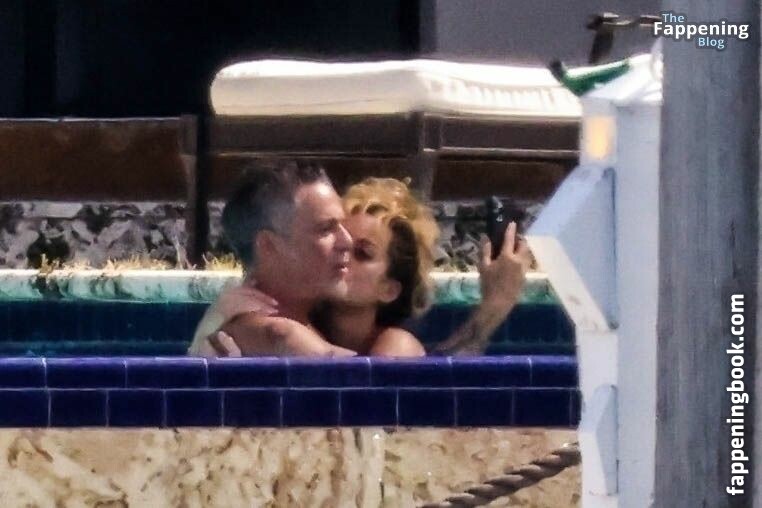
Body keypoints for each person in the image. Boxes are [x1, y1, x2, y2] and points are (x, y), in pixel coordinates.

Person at [189, 166, 531, 357]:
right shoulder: (266, 324)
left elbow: (420, 384)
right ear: (270, 245)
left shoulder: (392, 345)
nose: (343, 245)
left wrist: (495, 307)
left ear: (389, 289)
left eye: (362, 252)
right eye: (327, 230)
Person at [187, 160, 357, 357]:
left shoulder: (312, 322)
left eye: (343, 225)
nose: (347, 241)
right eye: (325, 229)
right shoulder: (269, 335)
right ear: (268, 245)